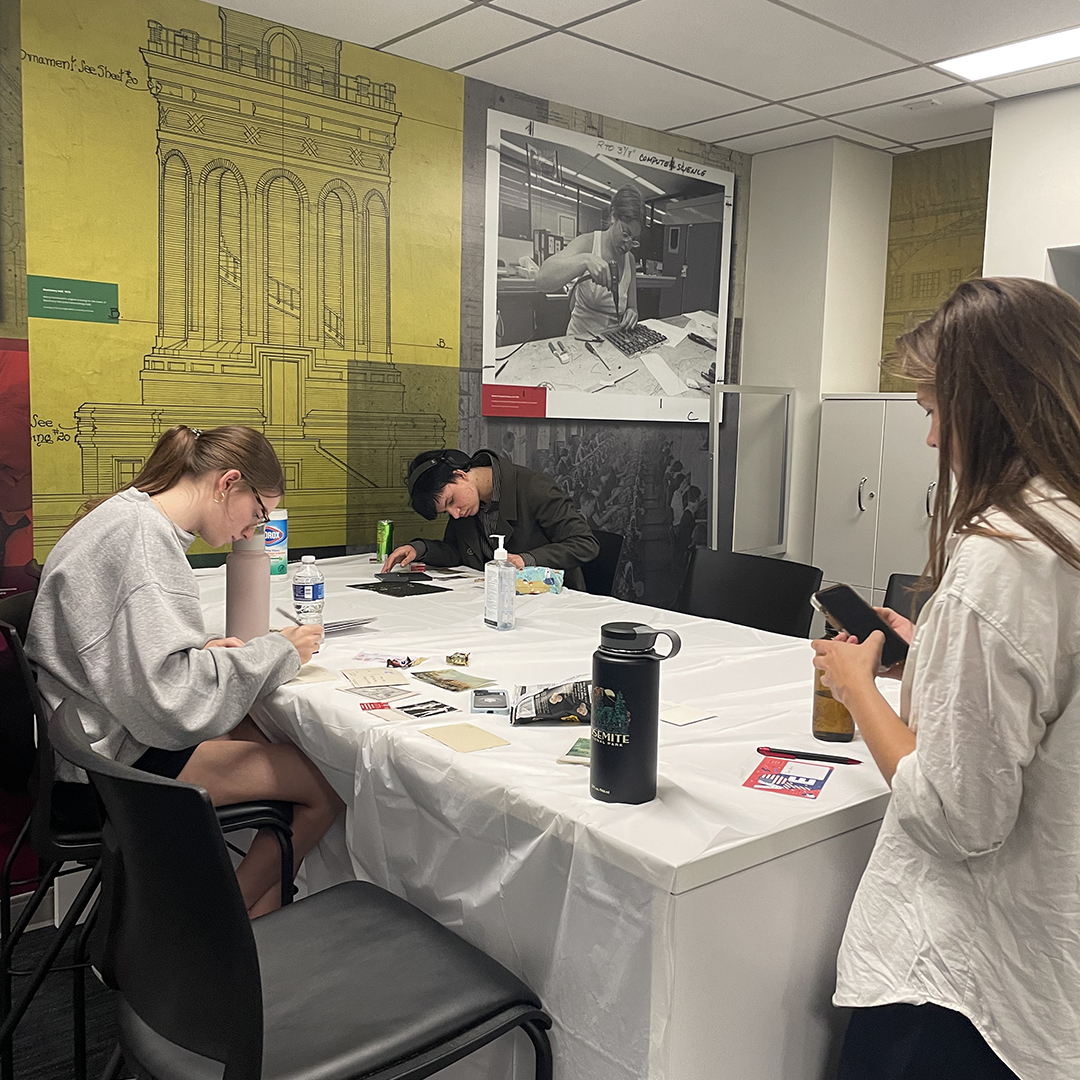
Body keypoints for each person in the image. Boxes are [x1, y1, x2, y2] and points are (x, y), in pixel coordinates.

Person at [811, 278, 1080, 1080]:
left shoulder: (1006, 558)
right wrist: (933, 649)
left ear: (993, 403)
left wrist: (859, 687)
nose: (930, 438)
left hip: (961, 992)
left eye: (933, 408)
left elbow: (959, 819)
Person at [27, 425, 343, 919]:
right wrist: (278, 651)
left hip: (85, 735)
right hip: (108, 764)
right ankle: (213, 931)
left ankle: (257, 926)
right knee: (324, 788)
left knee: (262, 737)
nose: (254, 530)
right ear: (228, 483)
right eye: (259, 512)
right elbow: (173, 703)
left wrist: (200, 652)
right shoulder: (148, 545)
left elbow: (134, 655)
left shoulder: (130, 515)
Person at [381, 447, 599, 590]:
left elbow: (585, 544)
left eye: (450, 501)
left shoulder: (533, 488)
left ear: (460, 474)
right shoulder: (467, 503)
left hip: (551, 601)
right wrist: (420, 549)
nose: (455, 513)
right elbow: (458, 551)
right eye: (446, 512)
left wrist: (527, 559)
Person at [535, 185, 643, 337]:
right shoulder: (587, 243)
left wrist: (632, 312)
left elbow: (632, 307)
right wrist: (585, 260)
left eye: (634, 240)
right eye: (625, 234)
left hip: (613, 343)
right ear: (613, 216)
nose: (628, 245)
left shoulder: (630, 259)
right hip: (580, 343)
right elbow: (541, 280)